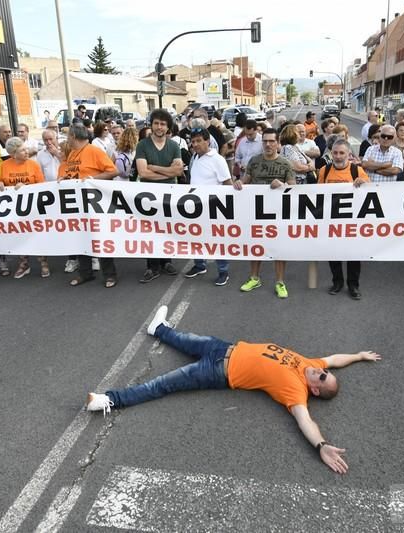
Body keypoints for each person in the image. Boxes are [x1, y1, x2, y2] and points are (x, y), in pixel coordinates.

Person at [85, 305, 384, 474]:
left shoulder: (295, 390)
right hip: (224, 347)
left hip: (217, 371)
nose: (321, 371)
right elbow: (334, 359)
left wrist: (321, 446)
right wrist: (358, 356)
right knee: (185, 338)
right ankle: (159, 329)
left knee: (162, 384)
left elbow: (306, 420)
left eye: (321, 379)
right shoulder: (311, 363)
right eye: (324, 373)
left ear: (314, 391)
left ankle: (109, 400)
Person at [233, 128, 296, 298]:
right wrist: (238, 183)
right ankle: (254, 278)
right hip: (256, 212)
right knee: (256, 246)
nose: (268, 144)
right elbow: (245, 181)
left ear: (278, 144)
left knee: (280, 248)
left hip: (278, 214)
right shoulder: (254, 161)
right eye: (265, 141)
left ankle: (280, 282)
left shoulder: (285, 163)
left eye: (271, 141)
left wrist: (282, 186)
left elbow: (294, 188)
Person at [58, 123, 120, 288]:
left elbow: (113, 171)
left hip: (94, 204)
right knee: (80, 238)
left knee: (101, 238)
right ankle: (85, 273)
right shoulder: (72, 154)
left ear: (73, 136)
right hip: (77, 204)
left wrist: (94, 180)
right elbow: (70, 172)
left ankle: (110, 275)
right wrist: (64, 179)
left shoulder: (94, 151)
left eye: (68, 136)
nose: (67, 140)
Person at [135, 109, 183, 283]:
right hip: (148, 197)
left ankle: (167, 262)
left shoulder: (174, 146)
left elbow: (178, 170)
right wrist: (168, 173)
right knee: (150, 231)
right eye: (156, 123)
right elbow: (143, 172)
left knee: (167, 229)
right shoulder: (142, 145)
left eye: (163, 124)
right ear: (151, 124)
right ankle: (152, 266)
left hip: (169, 195)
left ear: (168, 127)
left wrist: (154, 167)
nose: (159, 127)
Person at [319, 139, 368, 299]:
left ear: (349, 154)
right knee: (333, 254)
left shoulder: (357, 171)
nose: (338, 156)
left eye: (342, 153)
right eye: (335, 153)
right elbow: (317, 194)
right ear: (331, 153)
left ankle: (353, 285)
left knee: (353, 255)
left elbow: (370, 195)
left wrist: (363, 184)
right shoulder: (324, 171)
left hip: (352, 221)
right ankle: (337, 282)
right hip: (332, 220)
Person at [183, 127, 233, 286]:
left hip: (214, 207)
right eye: (193, 141)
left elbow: (227, 183)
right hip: (196, 207)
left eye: (199, 141)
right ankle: (199, 265)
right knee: (196, 237)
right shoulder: (195, 157)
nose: (195, 144)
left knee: (217, 240)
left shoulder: (217, 160)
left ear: (207, 141)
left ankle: (223, 271)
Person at [0, 137, 48, 280]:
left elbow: (42, 185)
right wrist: (0, 184)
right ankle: (24, 263)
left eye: (26, 148)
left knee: (36, 234)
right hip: (14, 207)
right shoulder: (5, 165)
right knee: (19, 235)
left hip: (32, 206)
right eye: (22, 150)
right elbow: (2, 180)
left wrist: (26, 187)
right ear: (13, 154)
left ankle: (43, 262)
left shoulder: (33, 165)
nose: (27, 152)